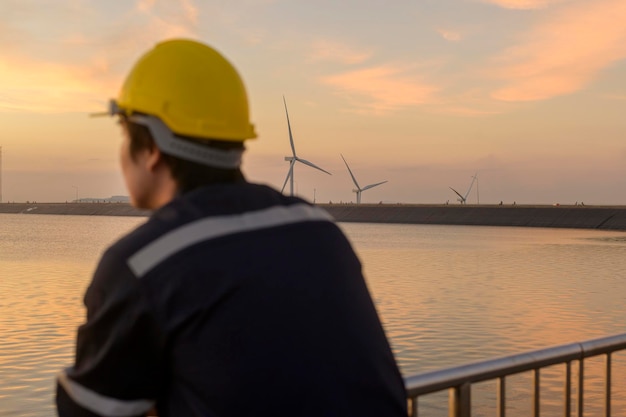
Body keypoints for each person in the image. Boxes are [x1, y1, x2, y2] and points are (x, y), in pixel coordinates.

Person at [56, 39, 407, 417]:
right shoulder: (319, 230)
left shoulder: (144, 264)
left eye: (124, 133)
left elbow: (88, 412)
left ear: (152, 148)